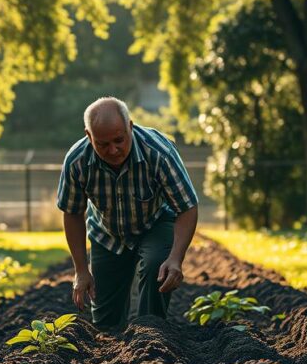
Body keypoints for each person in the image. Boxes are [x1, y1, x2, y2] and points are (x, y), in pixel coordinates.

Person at [56, 97, 199, 332]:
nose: (113, 150)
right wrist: (81, 270)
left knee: (157, 266)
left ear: (130, 126)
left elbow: (187, 206)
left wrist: (176, 258)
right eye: (103, 144)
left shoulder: (159, 152)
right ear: (89, 136)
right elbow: (72, 213)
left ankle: (150, 333)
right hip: (107, 233)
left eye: (119, 140)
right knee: (105, 323)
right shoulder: (77, 161)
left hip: (155, 222)